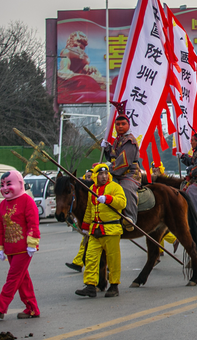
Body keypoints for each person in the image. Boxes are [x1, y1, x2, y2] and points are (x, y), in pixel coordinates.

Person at [0, 170, 40, 319]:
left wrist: (32, 243)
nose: (5, 188)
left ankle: (0, 306)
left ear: (20, 184)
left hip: (24, 249)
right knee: (22, 279)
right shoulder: (3, 204)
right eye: (3, 185)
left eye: (8, 184)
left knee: (13, 278)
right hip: (10, 249)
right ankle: (32, 308)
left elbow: (33, 223)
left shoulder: (27, 201)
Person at [75, 164, 126, 298]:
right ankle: (90, 285)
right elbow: (89, 209)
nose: (104, 176)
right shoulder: (92, 188)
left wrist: (108, 199)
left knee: (113, 259)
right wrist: (85, 227)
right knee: (90, 258)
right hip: (95, 230)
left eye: (105, 174)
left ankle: (114, 286)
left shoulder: (115, 187)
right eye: (100, 174)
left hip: (111, 229)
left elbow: (122, 203)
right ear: (95, 176)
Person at [102, 100, 140, 231]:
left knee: (125, 189)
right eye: (117, 124)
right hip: (116, 172)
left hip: (130, 173)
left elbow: (123, 163)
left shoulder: (130, 141)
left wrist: (108, 169)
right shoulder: (117, 140)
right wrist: (107, 149)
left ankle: (130, 218)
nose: (120, 126)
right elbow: (113, 156)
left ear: (128, 125)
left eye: (123, 124)